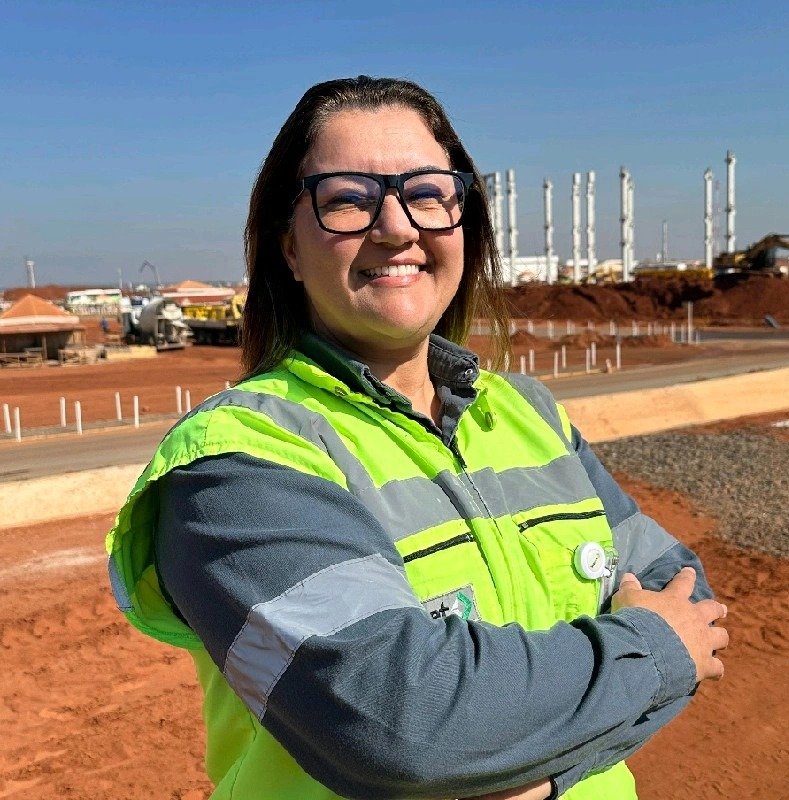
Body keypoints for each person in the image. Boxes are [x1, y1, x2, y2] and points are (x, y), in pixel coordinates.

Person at [106, 76, 728, 800]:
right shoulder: (235, 461)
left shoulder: (528, 414)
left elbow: (691, 607)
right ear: (289, 249)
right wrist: (649, 657)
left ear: (465, 219)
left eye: (429, 192)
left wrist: (541, 773)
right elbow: (403, 725)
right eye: (346, 198)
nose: (396, 227)